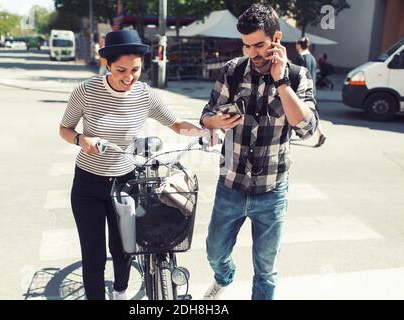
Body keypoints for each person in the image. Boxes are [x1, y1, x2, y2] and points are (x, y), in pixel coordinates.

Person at [59, 30, 210, 300]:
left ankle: (120, 291)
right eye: (121, 70)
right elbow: (64, 129)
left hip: (125, 183)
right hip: (88, 185)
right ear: (107, 64)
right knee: (93, 256)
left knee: (124, 248)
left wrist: (205, 132)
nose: (129, 77)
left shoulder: (144, 94)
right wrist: (81, 139)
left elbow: (175, 124)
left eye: (135, 70)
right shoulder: (86, 91)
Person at [200, 4, 319, 300]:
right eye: (247, 46)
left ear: (276, 38)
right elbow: (206, 116)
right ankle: (224, 277)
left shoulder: (297, 75)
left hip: (272, 190)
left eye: (259, 45)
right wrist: (216, 122)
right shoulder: (233, 71)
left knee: (266, 271)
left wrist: (281, 83)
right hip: (230, 186)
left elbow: (306, 129)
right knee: (214, 253)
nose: (253, 53)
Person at [295, 37, 326, 147]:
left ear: (299, 45)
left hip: (303, 91)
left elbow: (300, 76)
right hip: (312, 90)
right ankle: (321, 134)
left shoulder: (301, 58)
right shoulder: (312, 58)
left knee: (300, 114)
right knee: (312, 113)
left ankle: (320, 134)